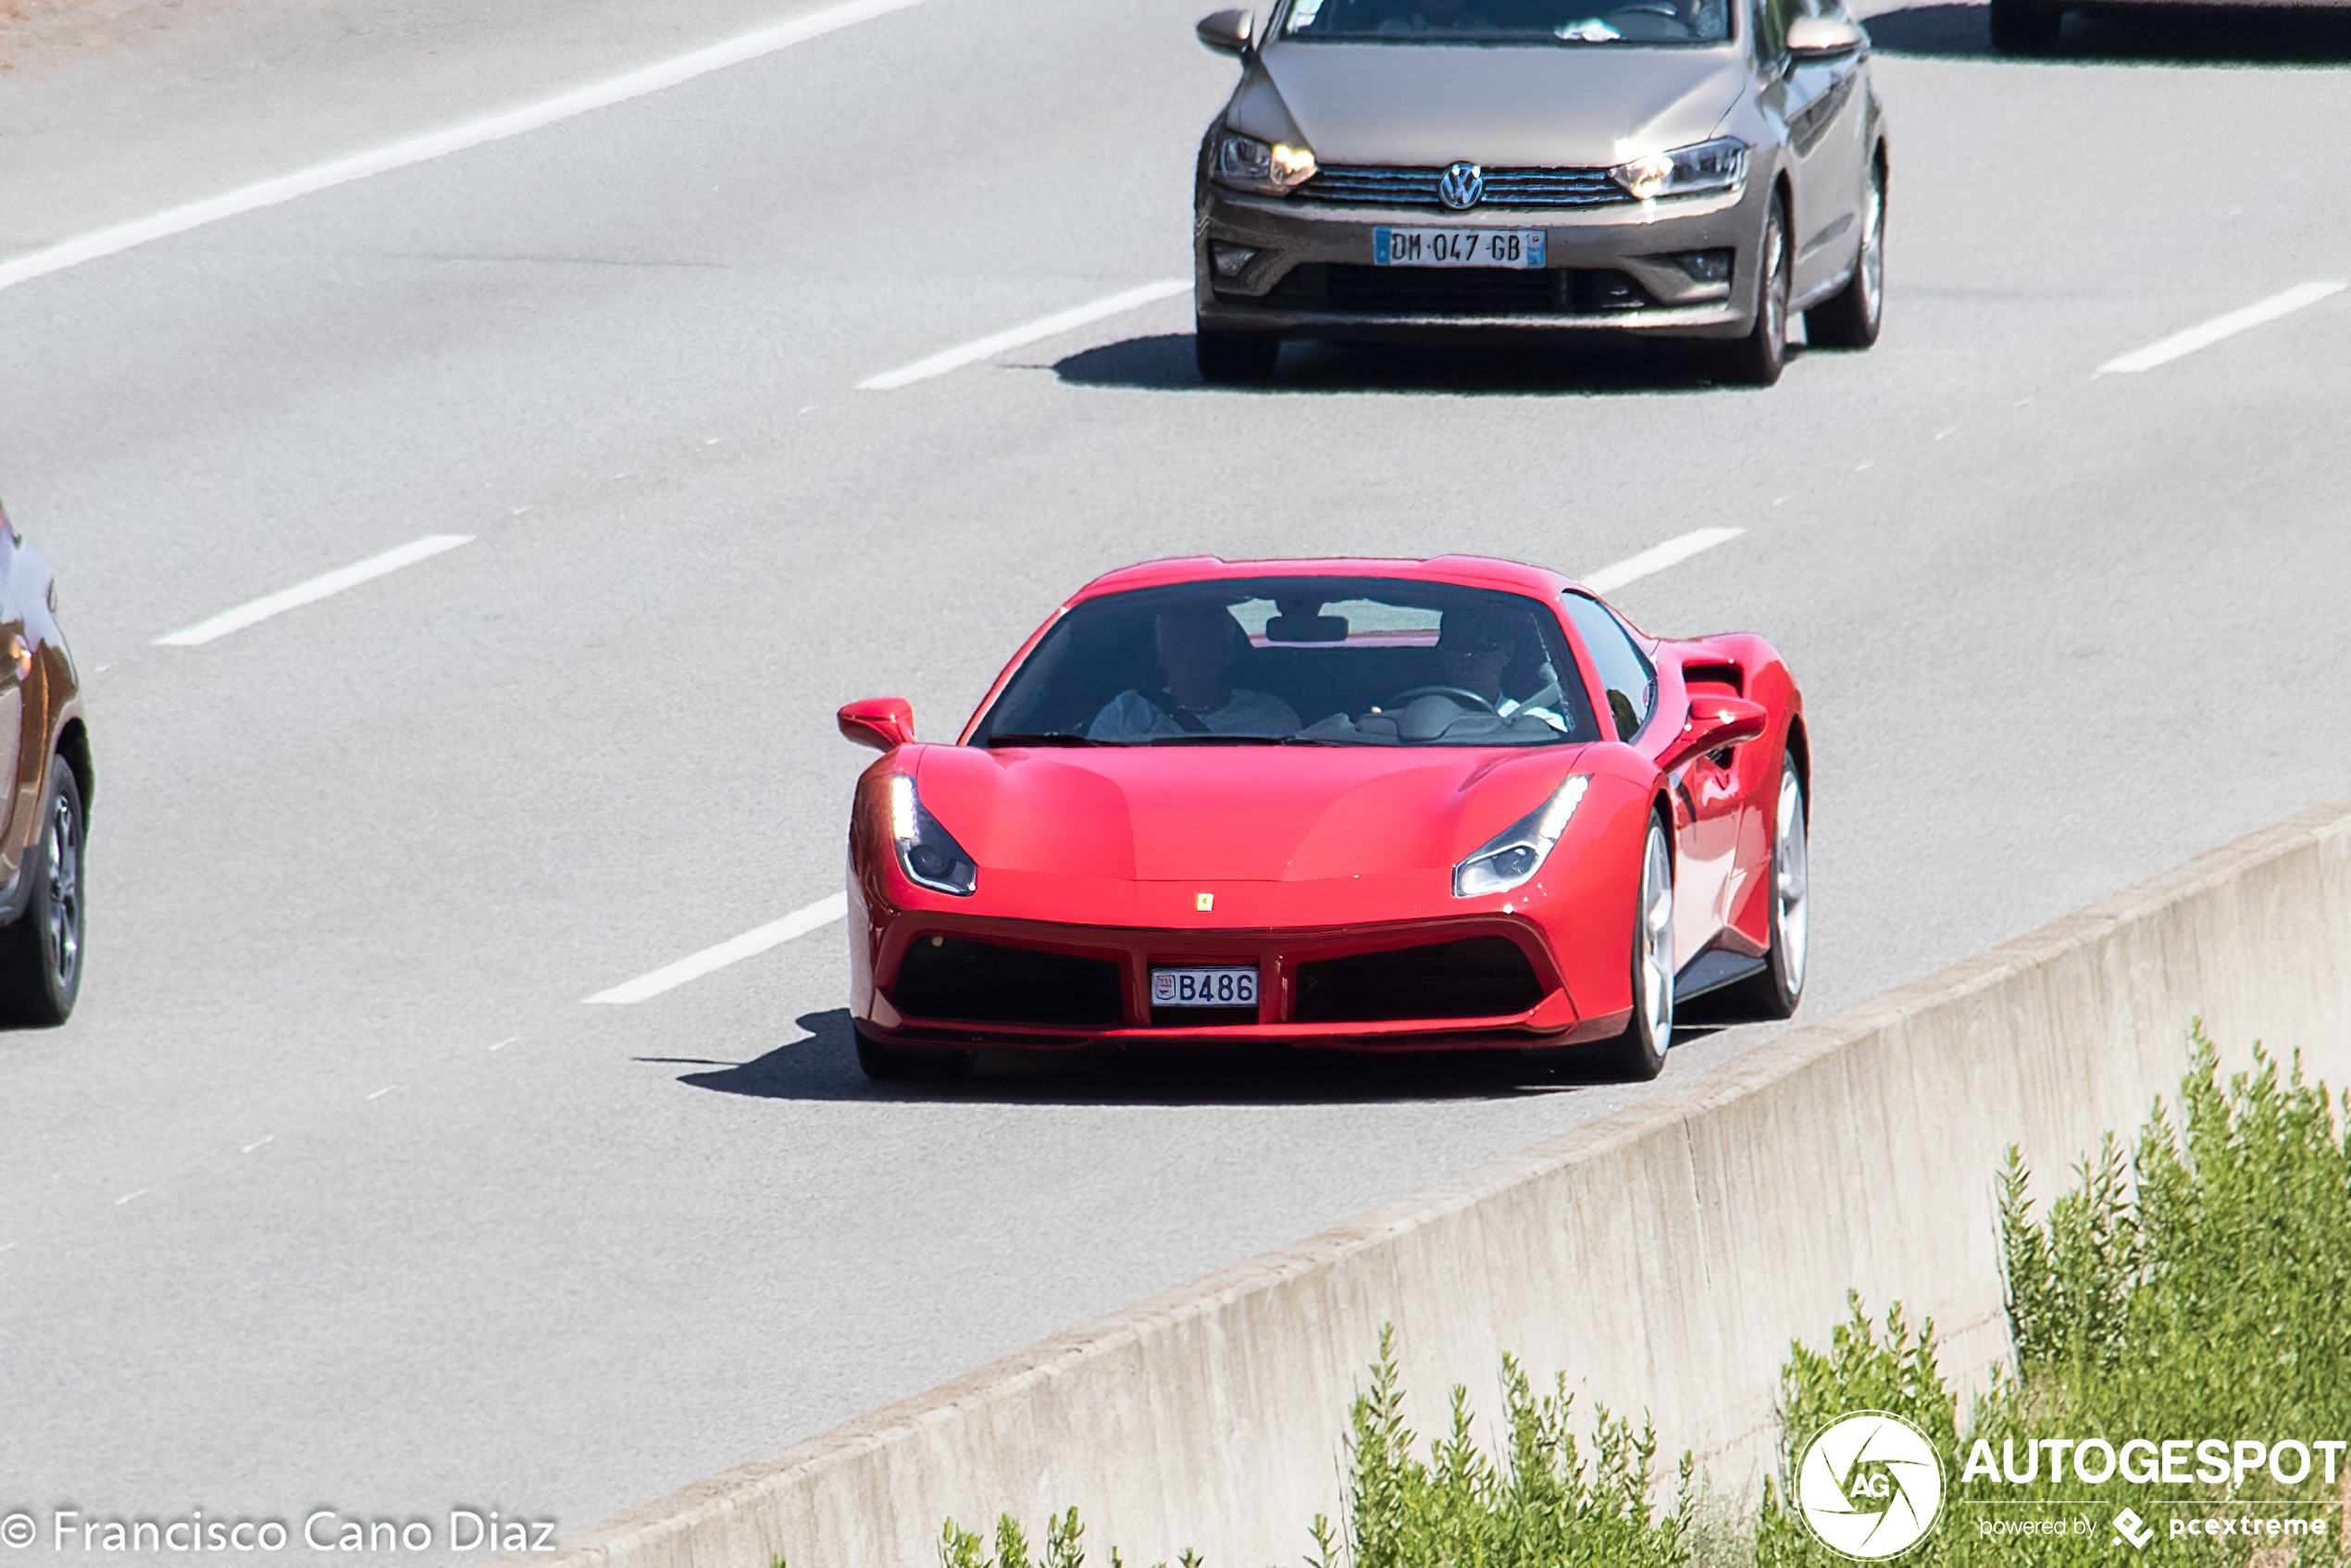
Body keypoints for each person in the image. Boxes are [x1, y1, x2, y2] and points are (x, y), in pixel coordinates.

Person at [1088, 604, 1300, 740]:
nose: (1190, 651)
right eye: (1178, 641)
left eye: (1203, 641)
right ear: (1161, 652)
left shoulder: (1271, 715)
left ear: (1227, 651)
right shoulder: (1125, 713)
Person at [1434, 604, 1573, 733]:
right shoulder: (1416, 722)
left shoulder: (1540, 724)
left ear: (1506, 653)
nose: (1467, 658)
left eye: (1484, 647)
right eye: (1455, 646)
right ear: (1441, 651)